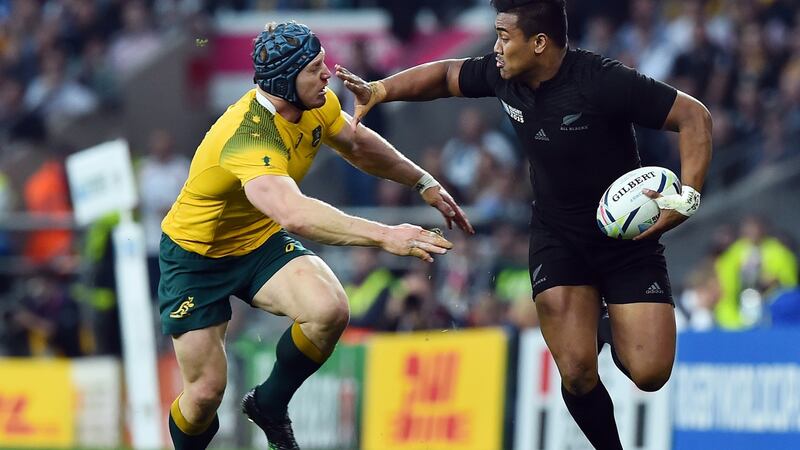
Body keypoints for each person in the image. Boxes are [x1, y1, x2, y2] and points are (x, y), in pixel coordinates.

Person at [337, 1, 712, 448]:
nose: (495, 48)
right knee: (575, 371)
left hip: (627, 240)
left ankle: (602, 323)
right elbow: (444, 76)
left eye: (503, 36)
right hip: (559, 237)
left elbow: (694, 117)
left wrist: (687, 197)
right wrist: (381, 90)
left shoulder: (601, 81)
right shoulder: (502, 75)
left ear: (539, 43)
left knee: (650, 373)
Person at [159, 21, 473, 450]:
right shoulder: (249, 135)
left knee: (329, 309)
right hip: (195, 258)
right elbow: (294, 214)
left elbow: (359, 146)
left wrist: (423, 182)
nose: (328, 74)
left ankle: (269, 404)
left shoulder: (316, 103)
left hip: (256, 240)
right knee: (206, 394)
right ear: (285, 82)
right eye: (315, 68)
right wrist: (384, 235)